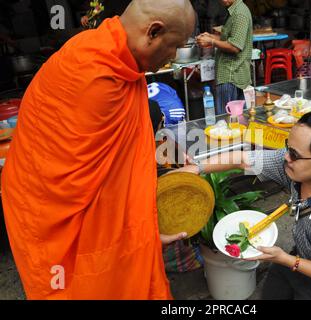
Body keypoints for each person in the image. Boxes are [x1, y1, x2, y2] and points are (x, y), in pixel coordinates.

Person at [1, 0, 196, 300]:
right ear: (153, 32)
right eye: (174, 47)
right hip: (51, 210)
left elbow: (126, 155)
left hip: (56, 193)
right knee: (89, 286)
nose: (172, 58)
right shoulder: (95, 73)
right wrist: (142, 235)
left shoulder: (112, 55)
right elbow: (105, 188)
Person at [178, 110, 311, 300]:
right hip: (305, 254)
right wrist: (196, 168)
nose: (286, 157)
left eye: (295, 155)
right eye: (288, 146)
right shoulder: (296, 168)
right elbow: (244, 160)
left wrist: (285, 259)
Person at [196, 0, 252, 115]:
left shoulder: (240, 13)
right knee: (236, 117)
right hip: (231, 74)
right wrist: (210, 36)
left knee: (226, 118)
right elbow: (229, 38)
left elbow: (235, 46)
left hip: (231, 74)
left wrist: (211, 41)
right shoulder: (234, 11)